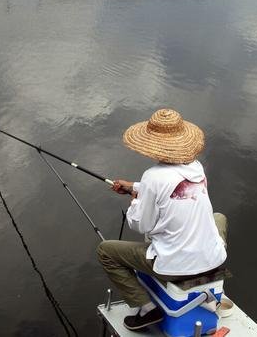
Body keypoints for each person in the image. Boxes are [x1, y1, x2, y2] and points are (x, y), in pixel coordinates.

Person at [97, 108, 228, 331]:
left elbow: (140, 224)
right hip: (214, 259)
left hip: (173, 266)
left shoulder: (153, 176)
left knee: (106, 251)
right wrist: (134, 187)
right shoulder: (196, 168)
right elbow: (175, 191)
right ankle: (207, 273)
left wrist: (136, 202)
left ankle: (147, 309)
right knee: (219, 218)